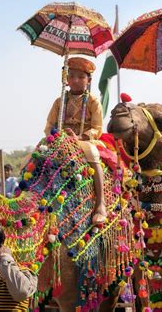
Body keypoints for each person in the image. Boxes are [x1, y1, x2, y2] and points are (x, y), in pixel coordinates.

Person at [44, 57, 106, 225]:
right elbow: (49, 125)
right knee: (38, 152)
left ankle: (101, 204)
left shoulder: (93, 102)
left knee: (93, 154)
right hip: (60, 139)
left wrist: (79, 137)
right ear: (66, 79)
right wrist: (56, 135)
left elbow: (97, 128)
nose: (75, 80)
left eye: (81, 77)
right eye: (71, 76)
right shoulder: (59, 102)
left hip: (84, 140)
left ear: (89, 80)